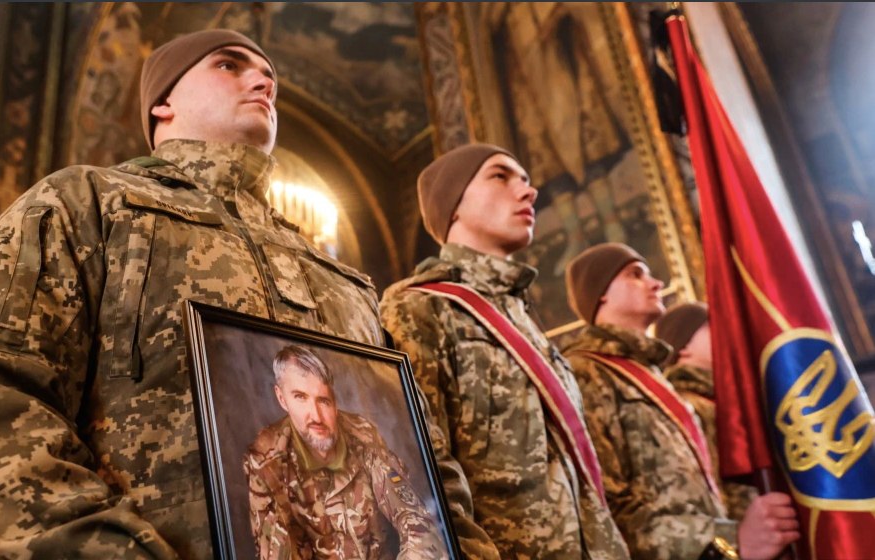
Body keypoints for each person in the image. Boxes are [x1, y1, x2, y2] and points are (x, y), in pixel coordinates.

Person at [0, 30, 385, 559]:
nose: (263, 83)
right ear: (162, 102)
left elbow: (422, 460)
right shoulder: (85, 205)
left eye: (269, 77)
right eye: (229, 65)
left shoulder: (336, 274)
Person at [380, 144, 629, 558]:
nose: (530, 191)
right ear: (453, 206)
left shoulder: (523, 319)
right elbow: (421, 469)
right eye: (500, 176)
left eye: (527, 180)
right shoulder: (419, 308)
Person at [562, 243, 800, 559]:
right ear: (601, 293)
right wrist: (731, 539)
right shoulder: (585, 371)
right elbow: (607, 505)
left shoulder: (649, 376)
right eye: (635, 274)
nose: (656, 283)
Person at [244, 345, 444, 559]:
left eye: (323, 400)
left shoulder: (363, 436)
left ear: (335, 401)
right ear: (282, 398)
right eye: (300, 397)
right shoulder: (265, 463)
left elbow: (418, 522)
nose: (316, 416)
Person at [655, 302, 758, 521]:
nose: (722, 334)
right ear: (683, 346)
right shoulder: (687, 407)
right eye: (710, 328)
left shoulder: (724, 400)